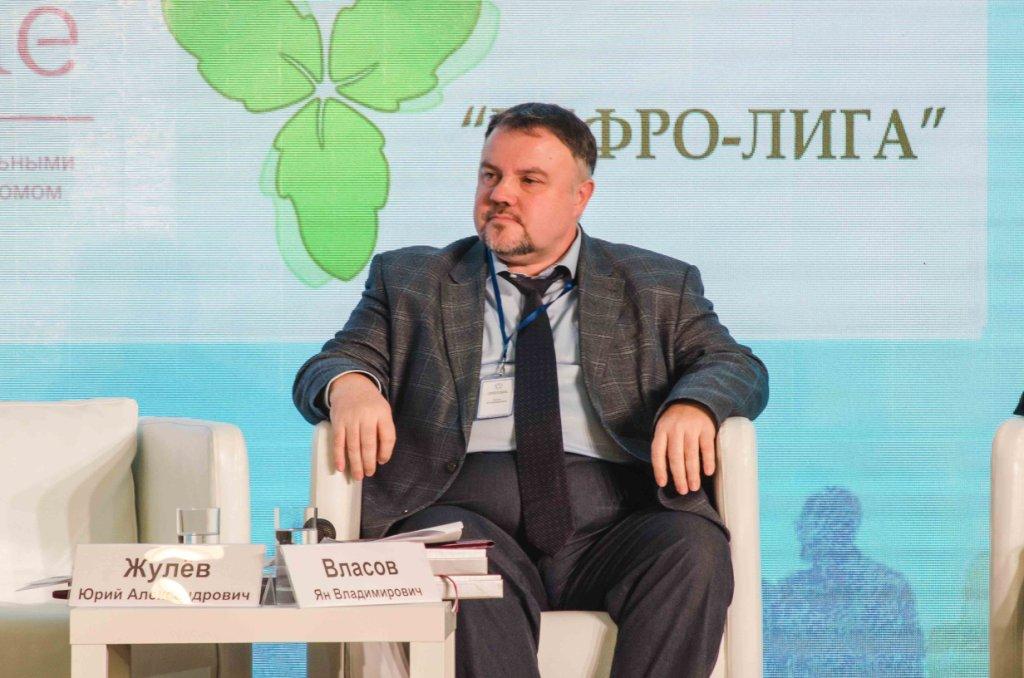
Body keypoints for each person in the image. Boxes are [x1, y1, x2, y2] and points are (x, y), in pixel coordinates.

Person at [294, 102, 768, 678]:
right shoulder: (411, 279)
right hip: (464, 513)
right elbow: (332, 361)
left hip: (615, 522)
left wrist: (696, 403)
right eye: (490, 175)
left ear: (580, 197)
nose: (501, 194)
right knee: (456, 561)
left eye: (529, 180)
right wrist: (350, 385)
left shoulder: (658, 284)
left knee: (693, 548)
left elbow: (735, 364)